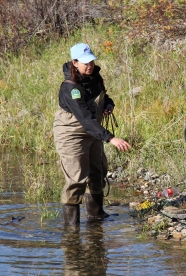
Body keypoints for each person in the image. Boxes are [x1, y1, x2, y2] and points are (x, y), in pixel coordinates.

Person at [53, 43, 131, 225]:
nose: (90, 66)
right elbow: (85, 118)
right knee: (76, 178)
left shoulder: (95, 77)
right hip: (71, 134)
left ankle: (97, 216)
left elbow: (104, 95)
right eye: (85, 63)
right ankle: (71, 229)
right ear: (74, 62)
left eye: (92, 61)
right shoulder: (70, 88)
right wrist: (111, 138)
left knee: (98, 171)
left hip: (93, 131)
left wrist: (108, 104)